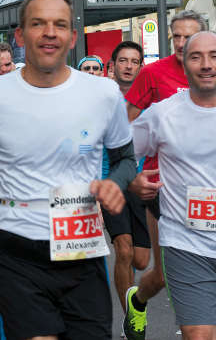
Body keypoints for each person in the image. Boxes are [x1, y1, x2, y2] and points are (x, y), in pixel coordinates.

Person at [0, 0, 136, 340]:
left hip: (82, 248)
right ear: (20, 35)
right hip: (17, 249)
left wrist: (116, 183)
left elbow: (125, 160)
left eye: (59, 24)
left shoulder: (103, 94)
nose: (50, 32)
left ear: (72, 36)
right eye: (38, 24)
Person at [122, 10, 208, 340]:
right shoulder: (154, 74)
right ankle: (140, 299)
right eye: (177, 37)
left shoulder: (211, 72)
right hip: (164, 187)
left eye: (190, 38)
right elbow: (126, 126)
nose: (183, 44)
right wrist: (132, 175)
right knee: (162, 273)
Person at [98, 42, 151, 316]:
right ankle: (131, 320)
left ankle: (136, 300)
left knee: (141, 261)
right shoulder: (103, 101)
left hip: (142, 186)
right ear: (113, 65)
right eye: (123, 61)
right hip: (111, 183)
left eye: (134, 61)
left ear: (141, 66)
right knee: (125, 250)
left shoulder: (151, 102)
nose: (129, 66)